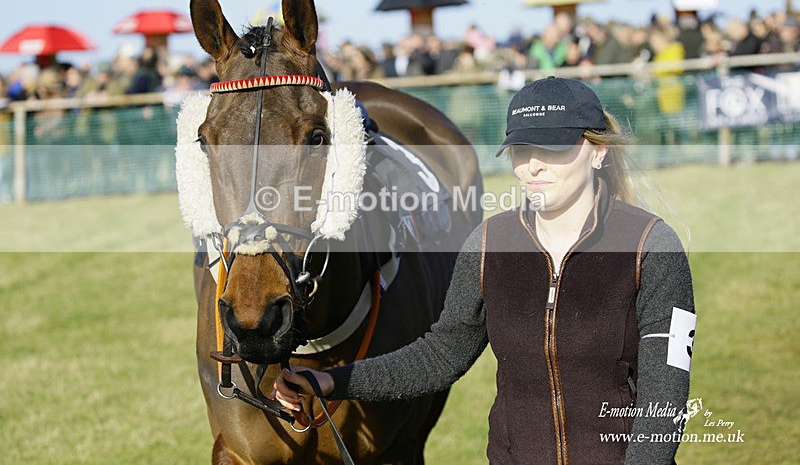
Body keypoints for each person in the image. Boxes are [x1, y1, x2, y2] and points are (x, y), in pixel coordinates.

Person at [272, 77, 696, 464]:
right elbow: (442, 355)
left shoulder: (652, 246)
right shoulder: (489, 244)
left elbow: (665, 395)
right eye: (522, 150)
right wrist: (332, 381)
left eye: (553, 148)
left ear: (598, 151)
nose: (533, 165)